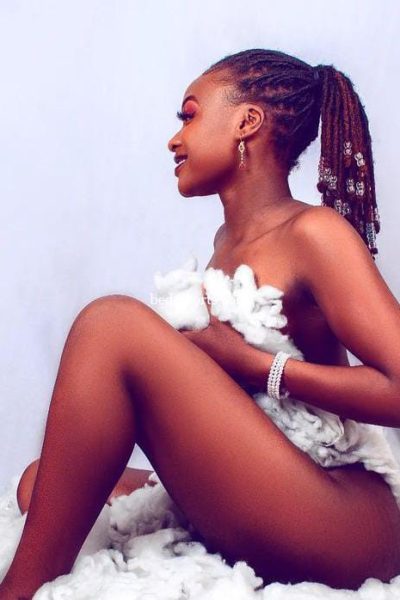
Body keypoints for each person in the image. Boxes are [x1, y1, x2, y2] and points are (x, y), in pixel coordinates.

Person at [1, 47, 400, 598]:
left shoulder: (315, 233)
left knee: (111, 323)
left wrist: (257, 367)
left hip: (346, 521)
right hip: (273, 480)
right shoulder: (225, 243)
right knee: (41, 483)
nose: (175, 139)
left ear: (247, 122)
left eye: (189, 116)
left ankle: (17, 592)